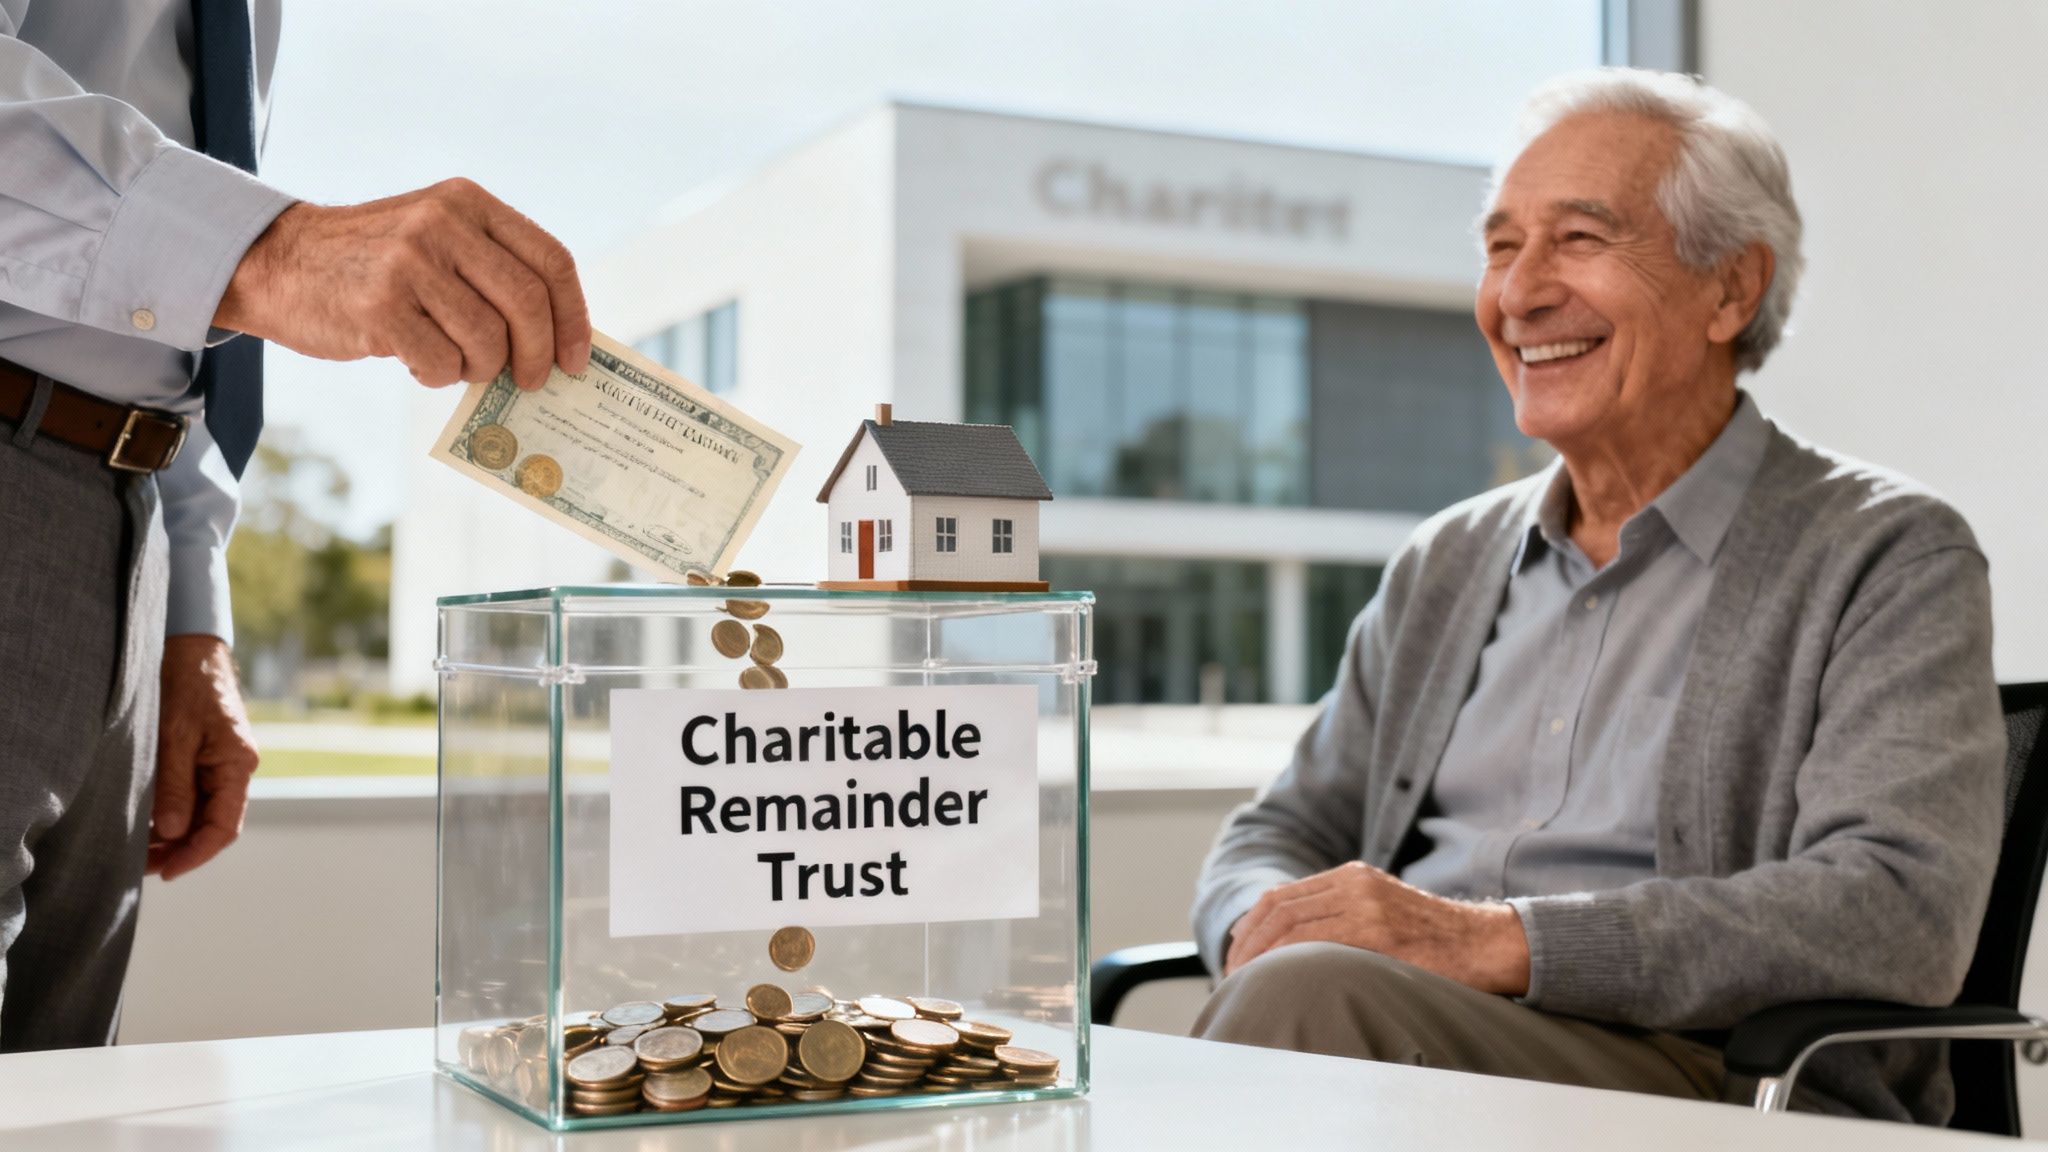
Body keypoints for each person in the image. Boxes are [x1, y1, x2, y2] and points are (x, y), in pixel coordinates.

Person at [1189, 67, 2003, 1125]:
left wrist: (1485, 941)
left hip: (1707, 1078)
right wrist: (1268, 923)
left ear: (1729, 290)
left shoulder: (1886, 552)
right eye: (1497, 246)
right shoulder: (1444, 562)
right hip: (1394, 1042)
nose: (1518, 292)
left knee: (1299, 1007)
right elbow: (1279, 830)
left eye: (1576, 239)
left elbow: (1897, 909)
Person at [0, 1, 591, 1051]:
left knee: (55, 1086)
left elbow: (160, 328)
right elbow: (211, 256)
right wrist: (274, 251)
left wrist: (186, 610)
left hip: (124, 514)